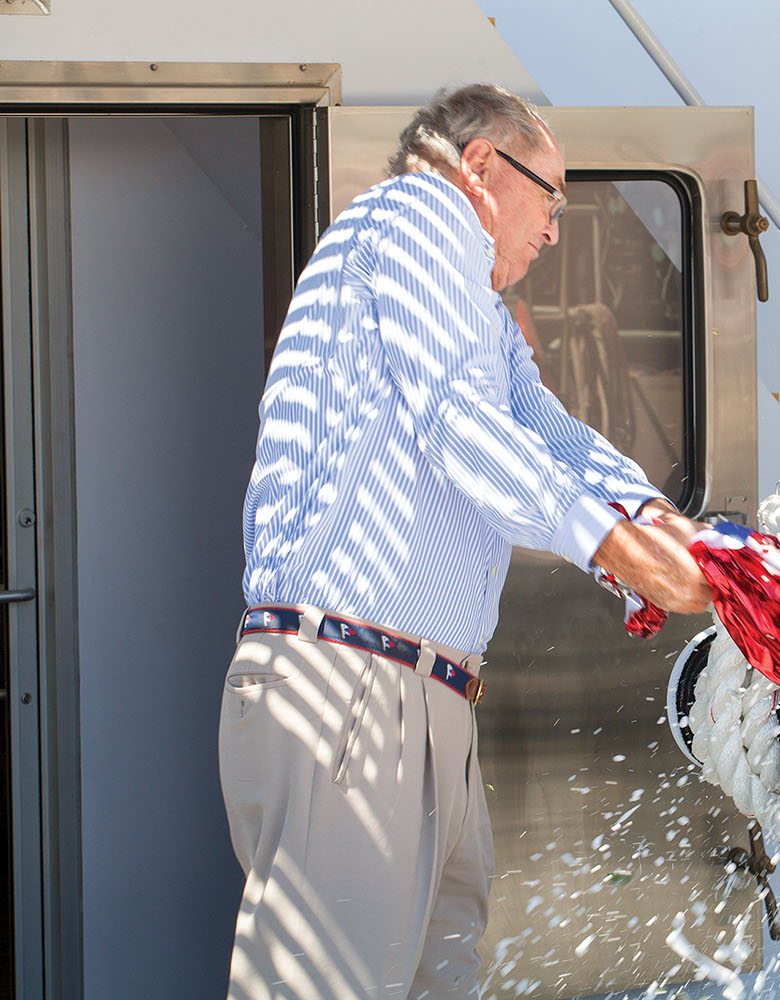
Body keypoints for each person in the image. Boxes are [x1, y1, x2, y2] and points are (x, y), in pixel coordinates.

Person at [219, 84, 712, 999]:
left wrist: (660, 520)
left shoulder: (478, 310)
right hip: (350, 687)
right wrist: (617, 546)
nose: (558, 226)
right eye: (553, 195)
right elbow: (455, 418)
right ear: (481, 165)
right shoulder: (415, 217)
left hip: (415, 693)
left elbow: (542, 425)